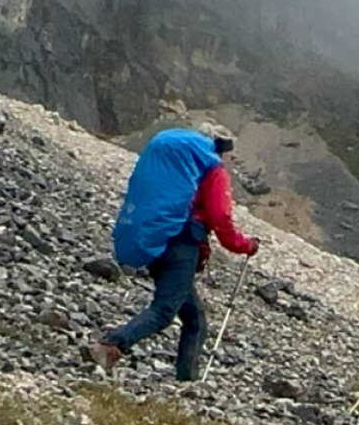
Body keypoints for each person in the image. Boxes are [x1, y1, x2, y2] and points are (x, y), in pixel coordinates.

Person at [86, 129, 258, 381]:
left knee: (194, 318)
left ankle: (187, 381)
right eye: (230, 156)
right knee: (164, 310)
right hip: (184, 246)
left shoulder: (184, 169)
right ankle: (111, 346)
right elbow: (220, 217)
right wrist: (246, 245)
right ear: (222, 151)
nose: (230, 162)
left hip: (159, 240)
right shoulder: (214, 171)